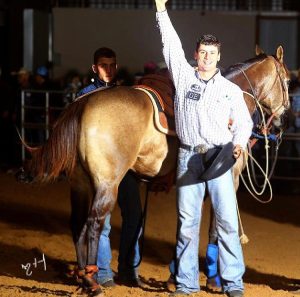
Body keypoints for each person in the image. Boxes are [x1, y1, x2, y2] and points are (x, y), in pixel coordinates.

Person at [154, 1, 253, 297]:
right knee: (187, 223)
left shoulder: (230, 90)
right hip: (188, 156)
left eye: (212, 54)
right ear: (196, 55)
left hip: (220, 156)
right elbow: (170, 42)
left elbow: (245, 124)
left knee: (225, 221)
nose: (207, 58)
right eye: (203, 53)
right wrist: (161, 11)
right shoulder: (183, 76)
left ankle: (233, 282)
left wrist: (237, 144)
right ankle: (185, 283)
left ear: (219, 56)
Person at [73, 47, 144, 288]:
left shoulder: (123, 94)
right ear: (95, 68)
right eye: (104, 66)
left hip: (125, 167)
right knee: (103, 220)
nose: (109, 70)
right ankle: (103, 271)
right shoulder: (84, 96)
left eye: (112, 65)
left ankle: (128, 268)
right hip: (99, 167)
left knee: (134, 214)